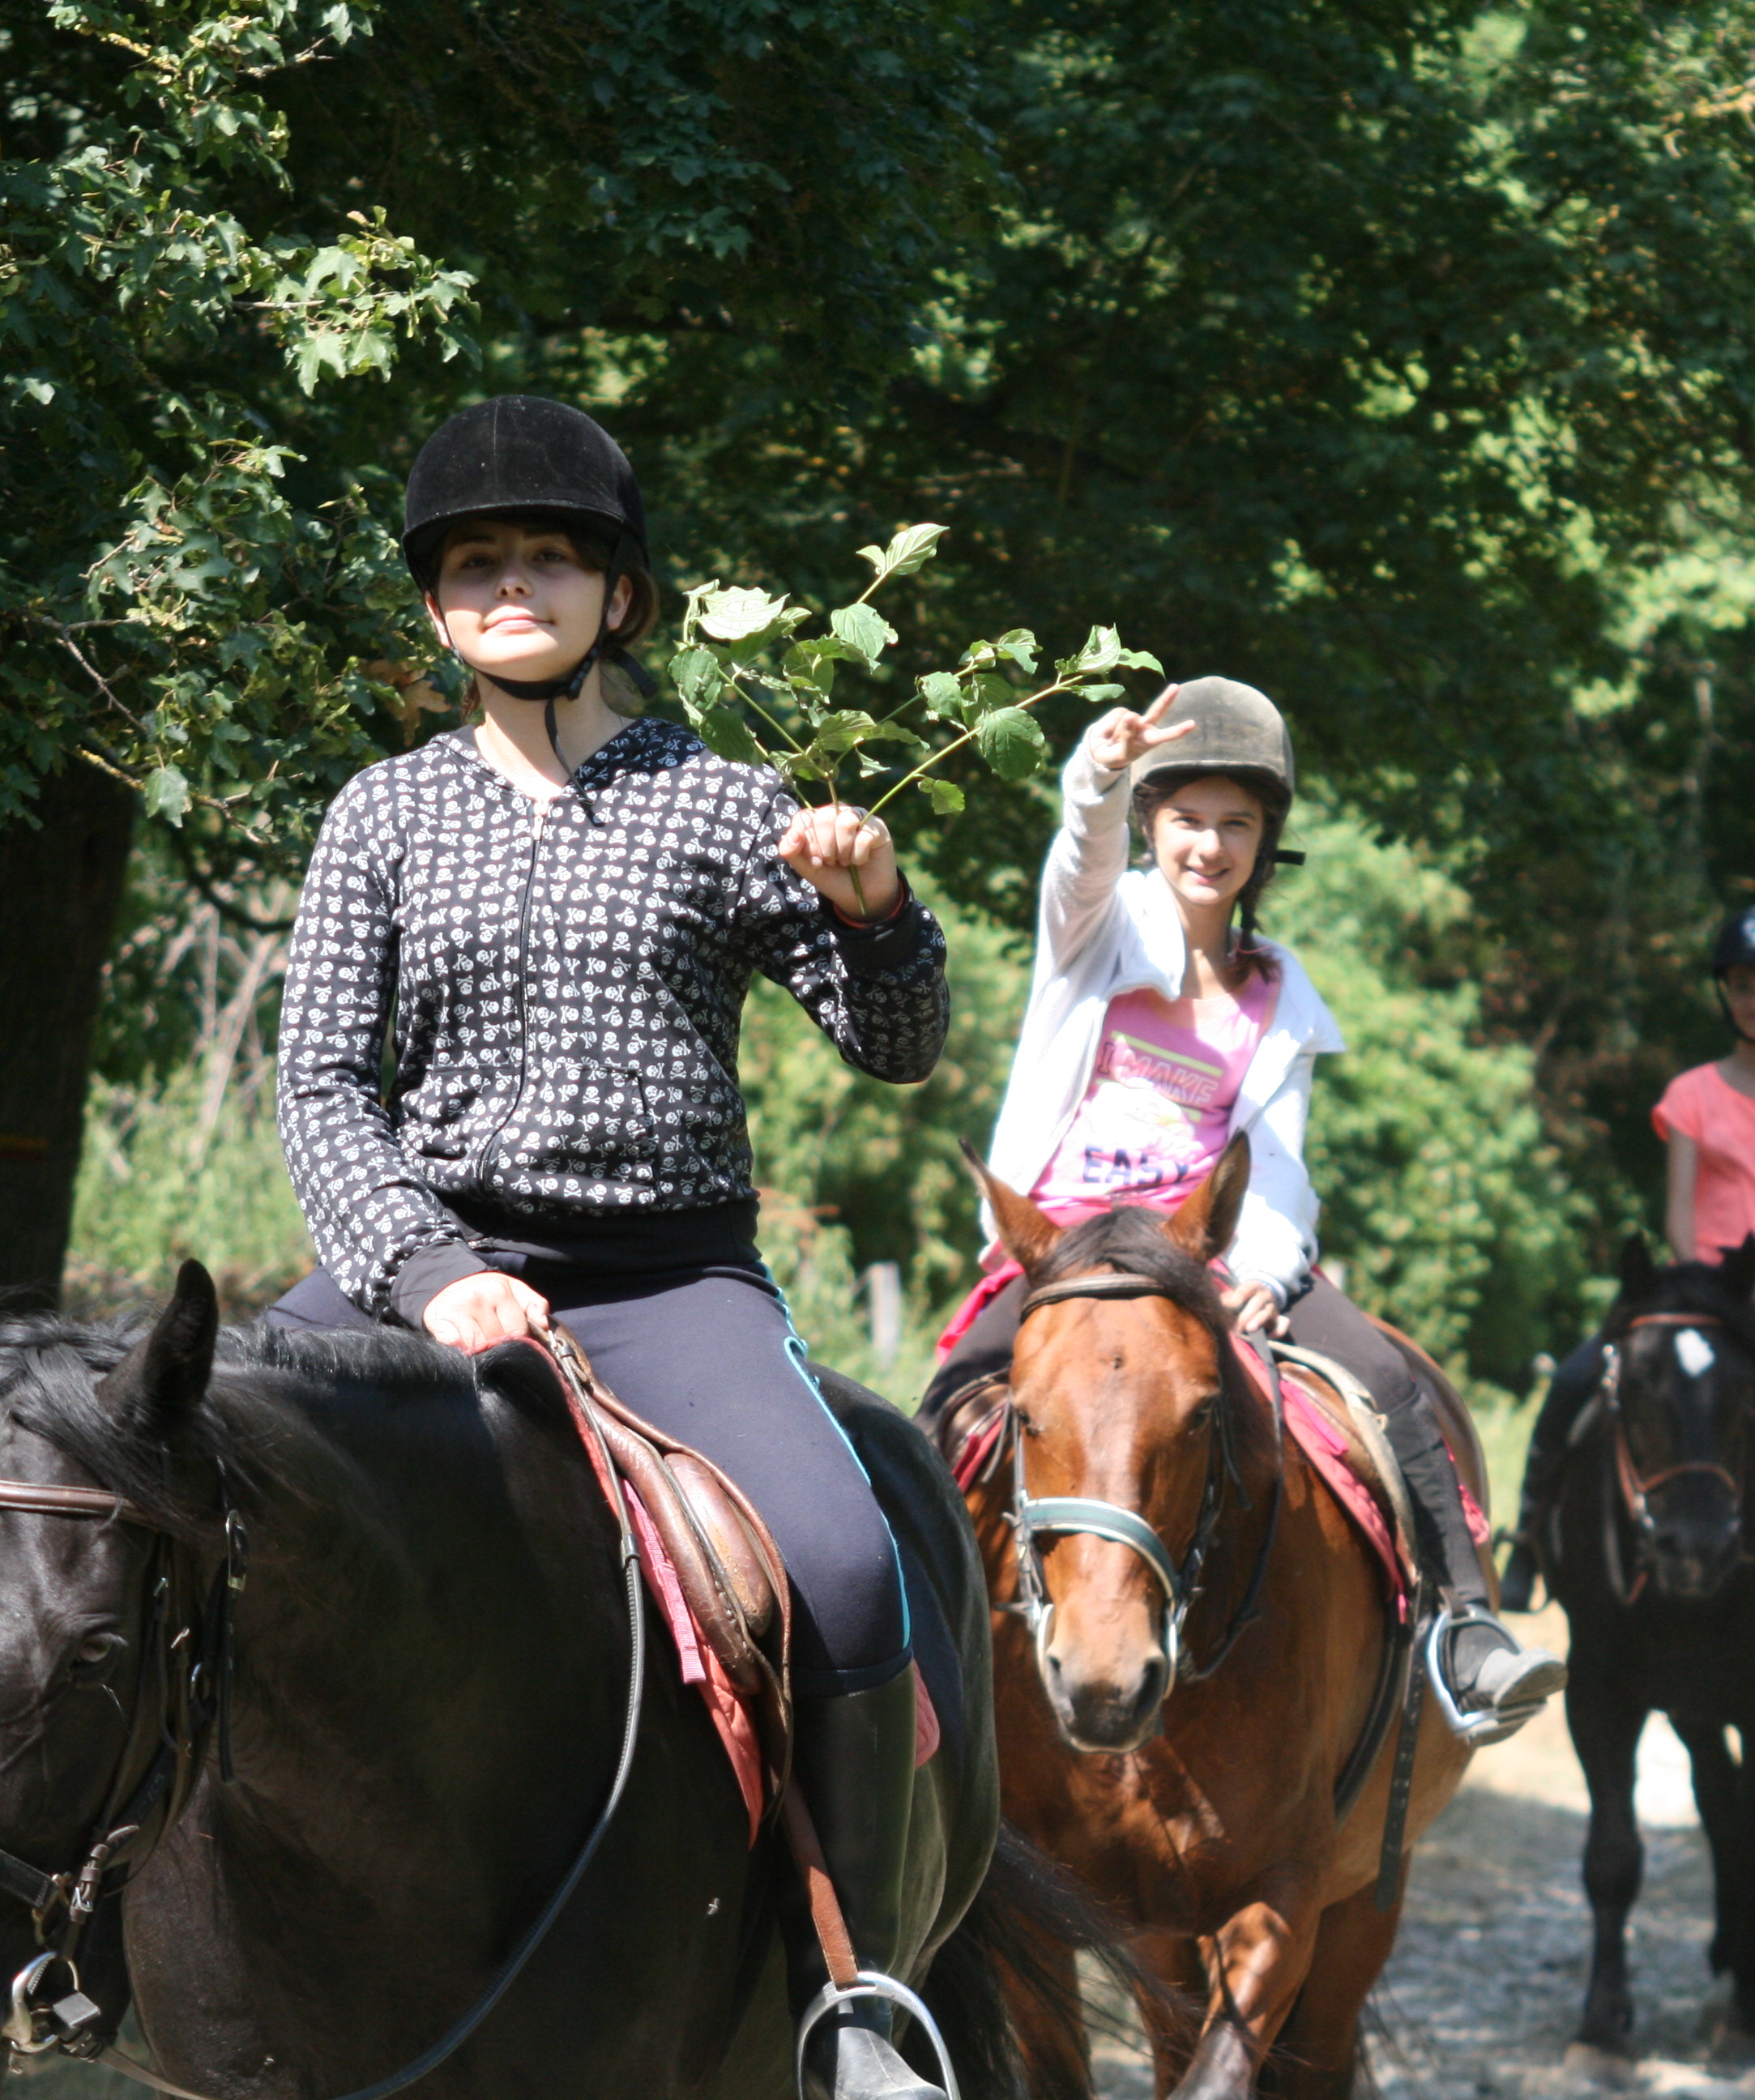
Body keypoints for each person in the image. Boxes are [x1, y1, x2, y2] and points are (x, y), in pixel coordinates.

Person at [271, 396, 957, 2100]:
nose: (516, 583)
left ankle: (855, 1997)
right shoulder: (380, 815)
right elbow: (319, 1083)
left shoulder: (727, 810)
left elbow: (898, 1044)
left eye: (552, 556)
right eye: (478, 562)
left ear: (618, 594)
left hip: (668, 1283)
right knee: (179, 1492)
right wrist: (432, 1273)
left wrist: (876, 910)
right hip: (416, 1274)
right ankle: (123, 1937)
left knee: (853, 1568)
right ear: (438, 605)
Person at [921, 679, 1566, 1746]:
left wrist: (1265, 1261)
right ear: (1151, 825)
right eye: (1186, 819)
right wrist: (1097, 774)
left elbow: (1280, 1161)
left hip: (1205, 1252)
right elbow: (1077, 865)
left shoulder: (1282, 988)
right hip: (1071, 1246)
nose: (1209, 845)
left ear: (1266, 844)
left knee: (1396, 1384)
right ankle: (909, 1656)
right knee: (940, 1405)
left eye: (1237, 824)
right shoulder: (1101, 927)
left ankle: (1468, 1632)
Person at [1498, 903, 1755, 1656]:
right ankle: (1529, 1543)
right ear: (1726, 993)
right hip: (1700, 1299)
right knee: (1572, 1383)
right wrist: (1704, 1291)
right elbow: (1679, 1218)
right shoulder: (1691, 1093)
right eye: (1744, 986)